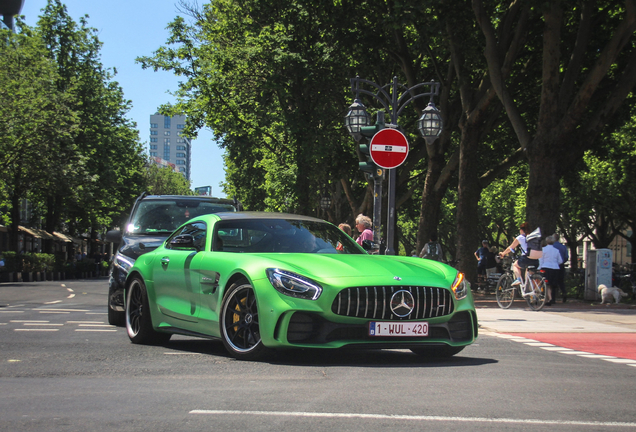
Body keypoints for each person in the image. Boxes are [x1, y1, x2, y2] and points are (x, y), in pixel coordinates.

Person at [500, 222, 542, 288]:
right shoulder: (532, 237)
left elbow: (511, 247)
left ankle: (518, 279)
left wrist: (503, 253)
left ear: (522, 230)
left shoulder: (520, 237)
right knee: (529, 275)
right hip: (535, 259)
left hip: (526, 258)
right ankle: (533, 293)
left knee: (515, 265)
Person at [540, 235, 563, 306]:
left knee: (546, 283)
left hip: (546, 267)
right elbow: (560, 261)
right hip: (555, 268)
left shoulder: (543, 250)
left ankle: (548, 298)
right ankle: (552, 298)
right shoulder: (556, 250)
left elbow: (541, 259)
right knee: (553, 285)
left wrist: (539, 267)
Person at [553, 233, 569, 303]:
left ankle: (553, 297)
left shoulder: (552, 247)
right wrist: (562, 262)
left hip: (553, 266)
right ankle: (564, 293)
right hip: (561, 265)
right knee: (561, 281)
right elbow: (566, 257)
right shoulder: (563, 247)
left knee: (553, 281)